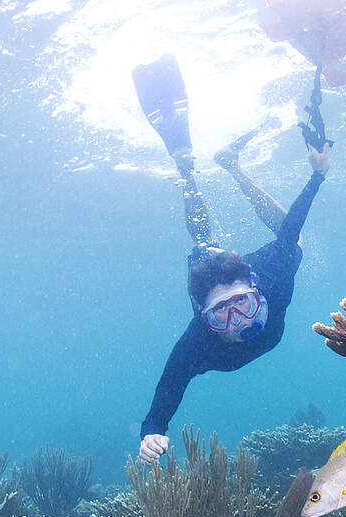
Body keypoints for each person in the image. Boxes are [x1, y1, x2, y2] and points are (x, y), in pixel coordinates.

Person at [132, 55, 329, 466]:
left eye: (243, 303)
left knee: (292, 243)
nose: (238, 320)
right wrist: (151, 432)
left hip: (249, 267)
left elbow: (291, 228)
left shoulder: (272, 279)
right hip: (209, 266)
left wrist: (318, 174)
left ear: (257, 291)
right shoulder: (197, 340)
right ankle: (190, 172)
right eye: (222, 313)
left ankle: (222, 167)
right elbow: (167, 391)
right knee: (205, 244)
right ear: (205, 317)